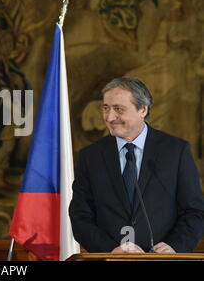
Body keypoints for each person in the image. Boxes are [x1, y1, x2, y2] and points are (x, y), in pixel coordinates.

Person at [69, 77, 204, 253]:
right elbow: (80, 216)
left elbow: (194, 211)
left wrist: (174, 247)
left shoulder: (175, 151)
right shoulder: (90, 156)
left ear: (142, 109)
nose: (109, 117)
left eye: (118, 109)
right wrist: (111, 250)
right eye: (105, 108)